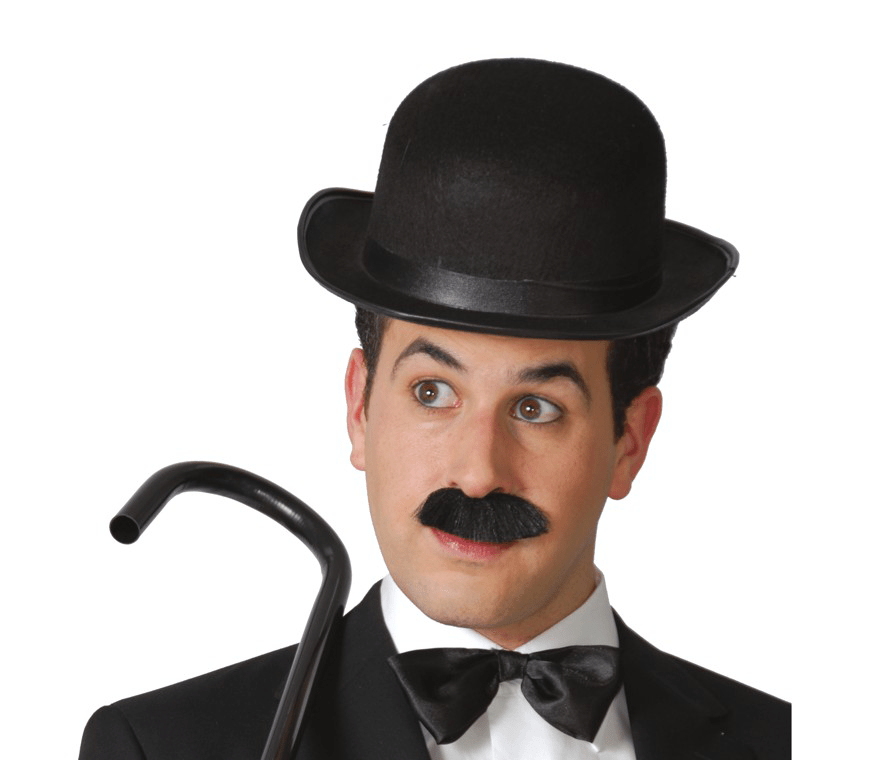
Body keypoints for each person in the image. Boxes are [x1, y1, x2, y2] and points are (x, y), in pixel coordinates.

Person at [79, 58, 791, 759]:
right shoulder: (162, 748)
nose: (477, 474)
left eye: (536, 408)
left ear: (629, 440)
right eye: (432, 393)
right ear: (360, 407)